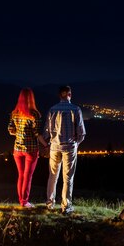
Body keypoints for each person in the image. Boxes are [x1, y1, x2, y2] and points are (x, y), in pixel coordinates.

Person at [43, 85, 86, 214]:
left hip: (55, 147)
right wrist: (76, 143)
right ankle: (66, 206)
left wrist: (49, 141)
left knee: (52, 176)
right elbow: (81, 133)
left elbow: (46, 132)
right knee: (68, 177)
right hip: (69, 147)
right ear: (69, 94)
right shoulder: (76, 109)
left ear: (59, 95)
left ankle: (50, 203)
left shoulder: (52, 109)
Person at [8, 87, 47, 208]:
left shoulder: (14, 113)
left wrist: (20, 133)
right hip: (31, 150)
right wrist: (46, 145)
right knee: (28, 176)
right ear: (31, 99)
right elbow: (37, 133)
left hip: (17, 149)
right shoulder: (34, 114)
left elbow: (10, 130)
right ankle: (24, 202)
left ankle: (22, 201)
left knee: (20, 175)